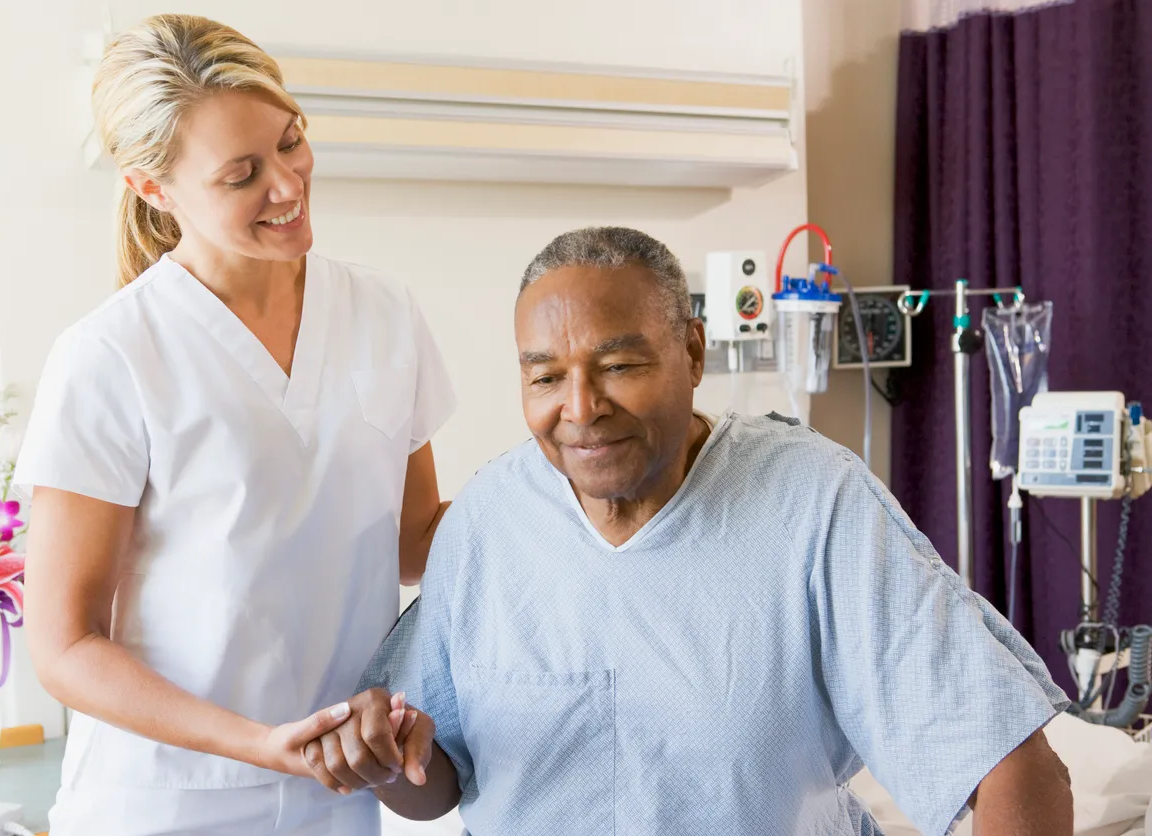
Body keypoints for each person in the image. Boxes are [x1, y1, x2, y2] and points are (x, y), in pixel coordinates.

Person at [337, 227, 1075, 834]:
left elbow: (1012, 764)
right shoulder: (489, 524)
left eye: (619, 364)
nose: (582, 406)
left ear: (693, 352)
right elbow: (436, 782)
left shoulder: (812, 504)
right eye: (544, 377)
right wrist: (389, 757)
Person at [13, 15, 448, 835]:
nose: (288, 184)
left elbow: (415, 539)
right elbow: (64, 646)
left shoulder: (384, 313)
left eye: (291, 142)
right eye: (243, 172)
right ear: (154, 189)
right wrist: (263, 744)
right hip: (165, 804)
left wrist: (577, 504)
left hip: (339, 797)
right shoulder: (110, 356)